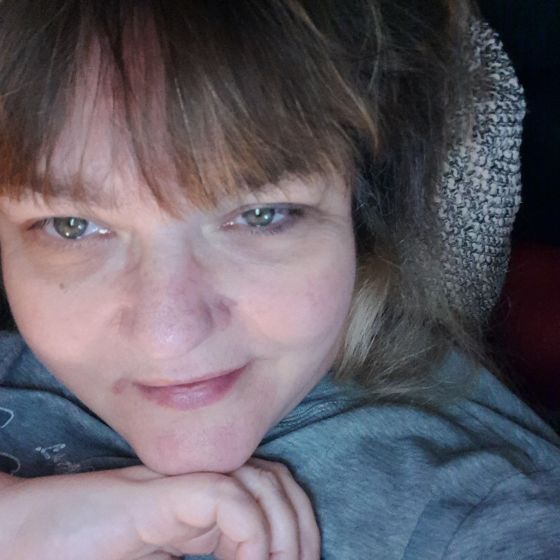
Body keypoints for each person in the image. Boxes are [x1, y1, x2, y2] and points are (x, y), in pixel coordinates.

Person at [0, 1, 558, 558]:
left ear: (363, 209)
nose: (168, 337)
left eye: (261, 215)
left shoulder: (477, 512)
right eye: (71, 226)